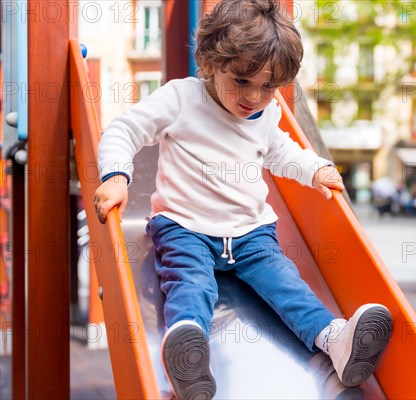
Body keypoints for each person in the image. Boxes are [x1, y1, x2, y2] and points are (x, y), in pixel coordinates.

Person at [92, 1, 393, 399]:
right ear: (211, 62)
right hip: (185, 227)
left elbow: (282, 152)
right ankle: (188, 354)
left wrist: (314, 168)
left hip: (251, 233)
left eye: (268, 87)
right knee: (190, 284)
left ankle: (334, 340)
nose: (254, 96)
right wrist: (116, 176)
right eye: (242, 81)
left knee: (288, 285)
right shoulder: (182, 99)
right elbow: (124, 130)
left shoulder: (264, 114)